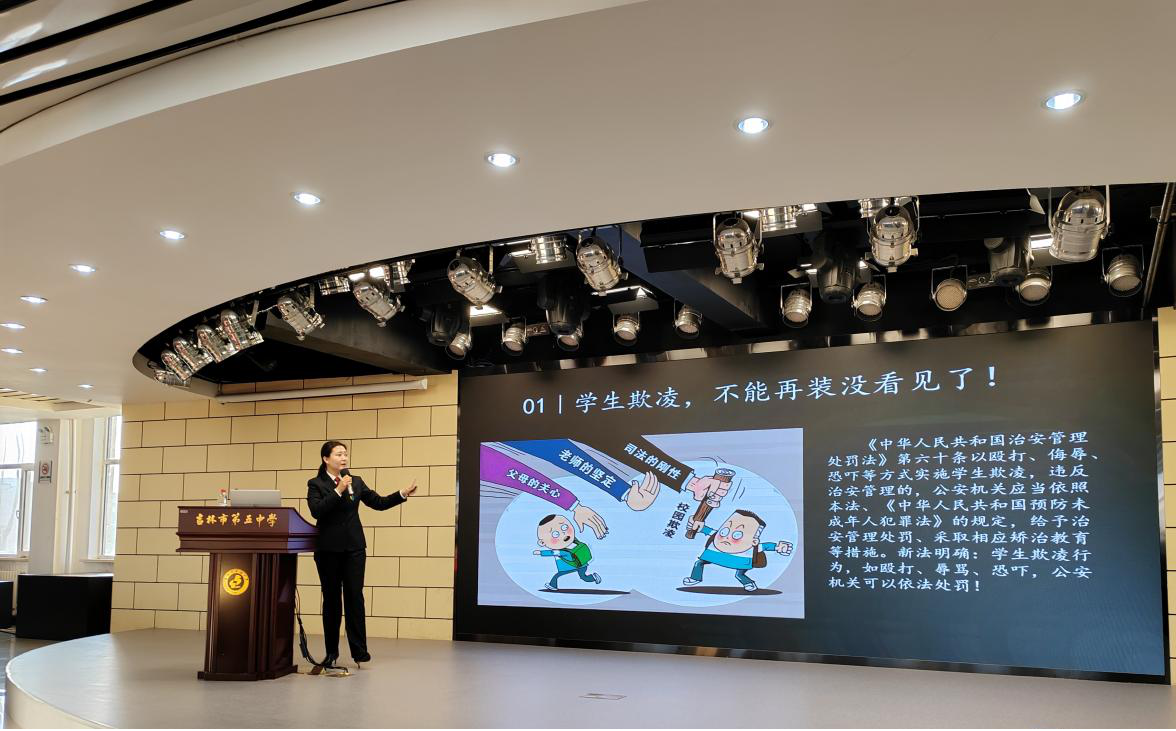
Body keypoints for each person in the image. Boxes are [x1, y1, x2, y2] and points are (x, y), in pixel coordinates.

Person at [307, 440, 417, 667]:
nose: (344, 458)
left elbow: (378, 502)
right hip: (328, 549)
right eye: (338, 454)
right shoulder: (316, 484)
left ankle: (359, 651)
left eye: (345, 454)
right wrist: (338, 490)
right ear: (326, 459)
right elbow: (316, 511)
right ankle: (331, 653)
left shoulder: (355, 481)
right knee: (332, 600)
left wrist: (402, 494)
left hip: (354, 548)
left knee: (355, 597)